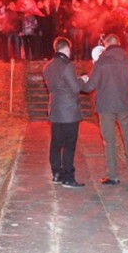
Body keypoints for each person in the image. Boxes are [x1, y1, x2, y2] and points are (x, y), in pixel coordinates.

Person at [83, 34, 128, 185]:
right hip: (124, 103)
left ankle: (113, 175)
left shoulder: (102, 62)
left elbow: (90, 86)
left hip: (106, 105)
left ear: (105, 44)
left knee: (109, 140)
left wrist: (84, 79)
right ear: (118, 43)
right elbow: (127, 82)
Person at [43, 37, 87, 188]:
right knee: (69, 144)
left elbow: (59, 86)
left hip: (55, 110)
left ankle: (56, 173)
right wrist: (83, 79)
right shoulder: (67, 65)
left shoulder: (48, 66)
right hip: (68, 112)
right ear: (67, 49)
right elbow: (75, 88)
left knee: (56, 144)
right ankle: (68, 177)